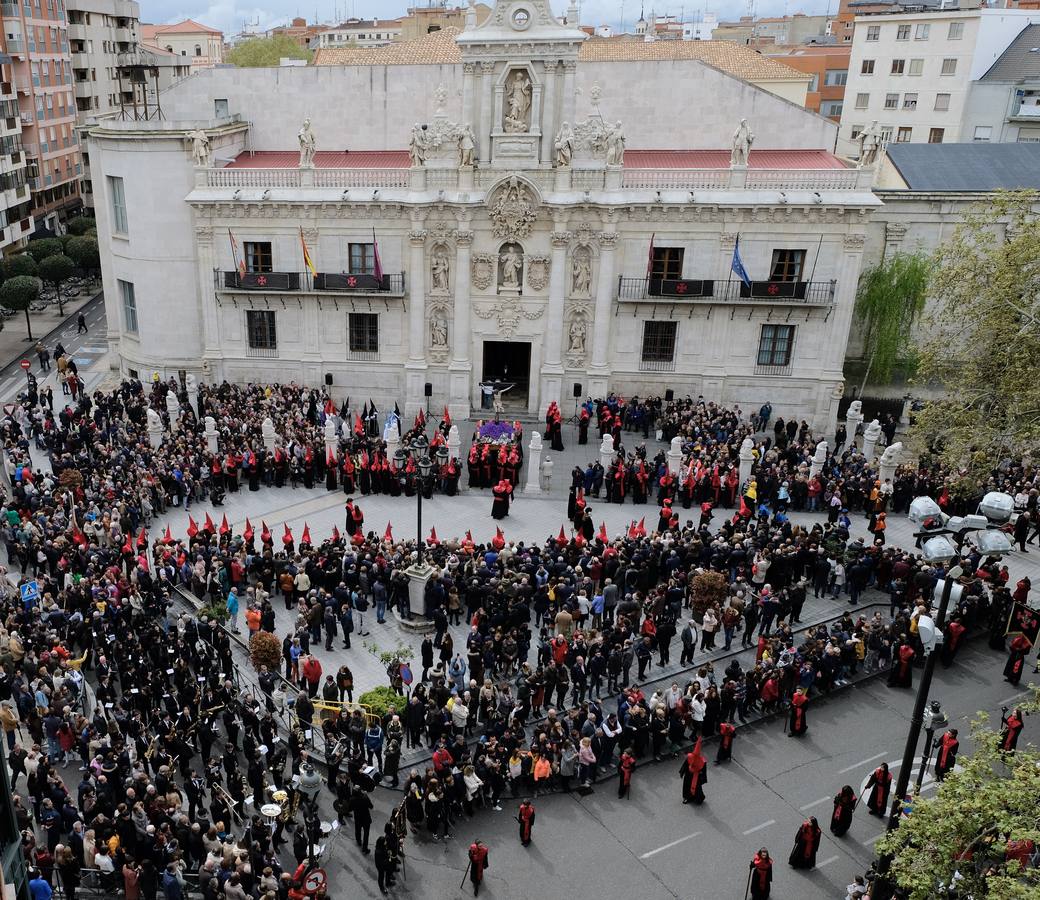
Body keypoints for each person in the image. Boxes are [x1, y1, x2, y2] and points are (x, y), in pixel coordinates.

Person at [679, 737, 707, 805]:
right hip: (689, 775)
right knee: (687, 786)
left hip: (697, 776)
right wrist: (682, 772)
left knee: (697, 789)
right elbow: (685, 765)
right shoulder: (690, 757)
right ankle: (687, 797)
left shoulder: (702, 761)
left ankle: (699, 798)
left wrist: (702, 778)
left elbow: (704, 771)